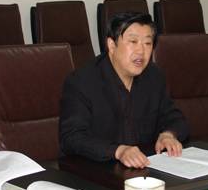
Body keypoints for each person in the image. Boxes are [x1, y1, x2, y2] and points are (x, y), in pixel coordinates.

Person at [59, 12, 188, 169]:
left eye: (147, 43)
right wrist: (118, 151)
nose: (141, 51)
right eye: (133, 42)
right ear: (112, 45)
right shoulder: (81, 82)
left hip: (144, 168)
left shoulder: (154, 76)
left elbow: (175, 118)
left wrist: (168, 135)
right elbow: (72, 137)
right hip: (94, 171)